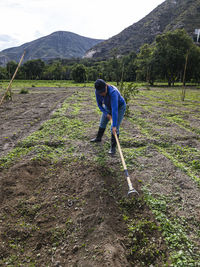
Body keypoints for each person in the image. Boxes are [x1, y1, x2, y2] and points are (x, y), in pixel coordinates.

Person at [91, 79, 126, 155]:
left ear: (106, 86)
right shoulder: (97, 92)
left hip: (119, 107)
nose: (102, 94)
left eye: (103, 91)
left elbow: (115, 110)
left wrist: (114, 125)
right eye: (100, 92)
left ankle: (113, 148)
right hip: (108, 106)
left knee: (114, 128)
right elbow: (99, 105)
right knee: (102, 122)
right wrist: (106, 113)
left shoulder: (113, 92)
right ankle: (98, 138)